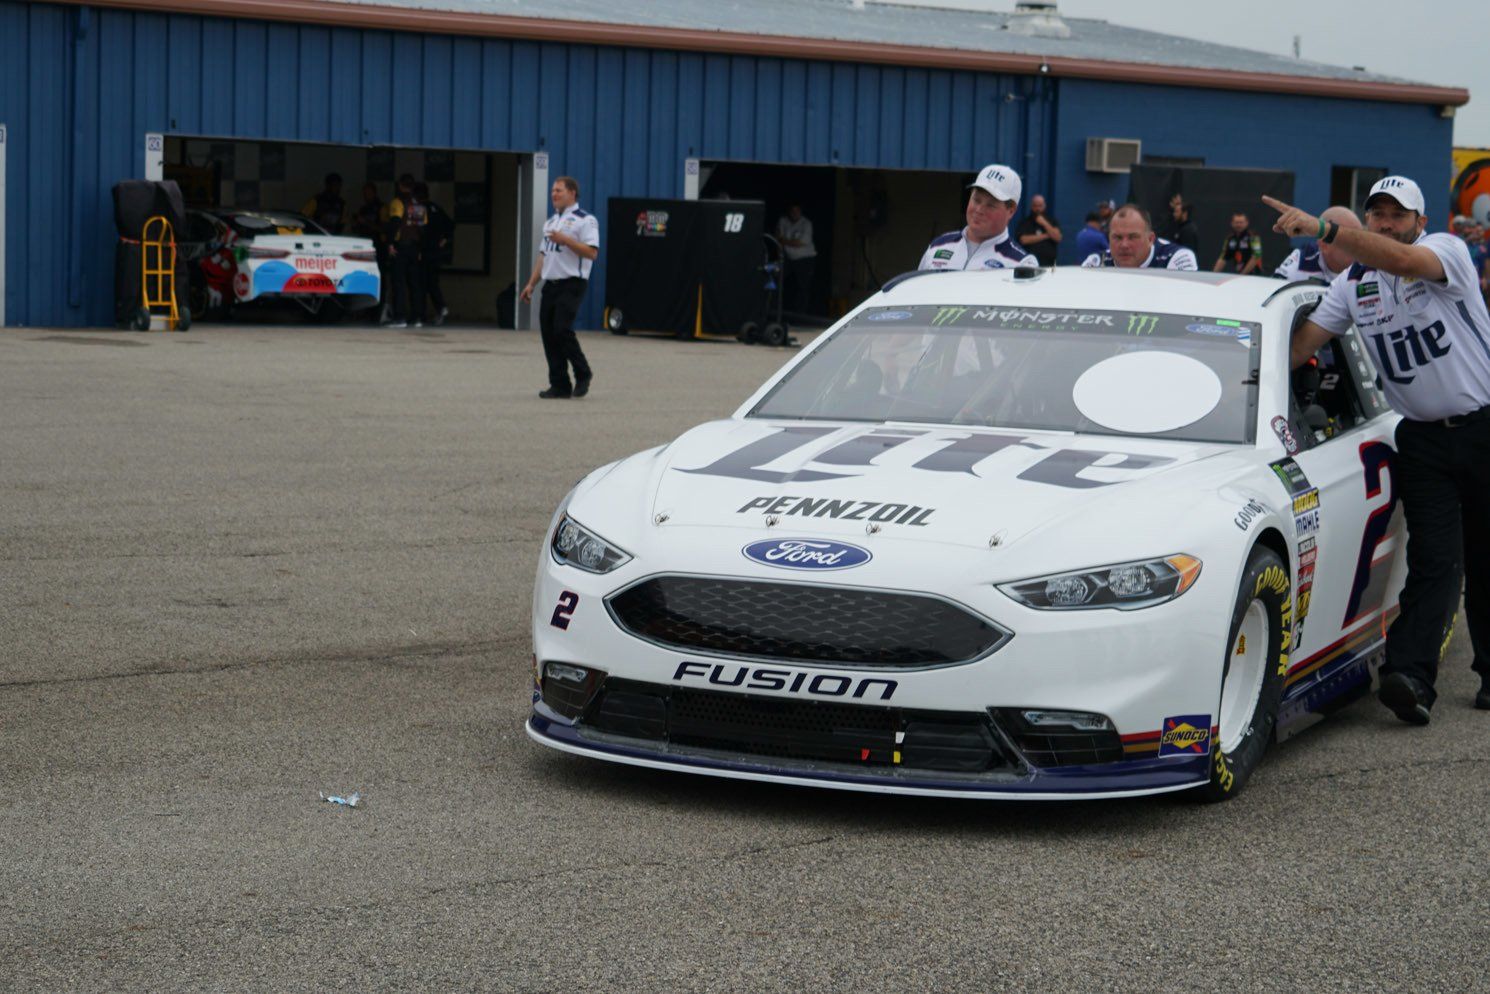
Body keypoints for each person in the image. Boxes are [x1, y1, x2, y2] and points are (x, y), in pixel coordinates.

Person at [1272, 176, 1490, 724]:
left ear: (1420, 220)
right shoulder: (1350, 285)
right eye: (1377, 214)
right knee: (1434, 560)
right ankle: (1409, 676)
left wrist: (1324, 229)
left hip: (1484, 425)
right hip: (1420, 436)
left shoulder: (1446, 251)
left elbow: (1404, 262)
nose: (1387, 223)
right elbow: (1300, 348)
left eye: (1398, 215)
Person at [521, 176, 598, 399]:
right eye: (553, 191)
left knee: (561, 328)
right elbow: (543, 256)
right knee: (548, 333)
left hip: (572, 282)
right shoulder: (551, 222)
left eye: (559, 190)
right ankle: (560, 384)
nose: (554, 194)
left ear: (572, 193)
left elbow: (592, 253)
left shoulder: (586, 220)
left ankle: (583, 373)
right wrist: (531, 284)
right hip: (551, 284)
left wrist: (566, 240)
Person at [918, 164, 1037, 271]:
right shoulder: (939, 245)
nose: (979, 210)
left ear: (1011, 211)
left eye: (990, 205)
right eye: (976, 200)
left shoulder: (1020, 264)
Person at [1079, 204, 1196, 270]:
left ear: (1150, 239)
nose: (1124, 245)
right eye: (1117, 237)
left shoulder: (1176, 258)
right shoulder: (1097, 262)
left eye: (1133, 237)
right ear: (1108, 238)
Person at [1274, 205, 1361, 282]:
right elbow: (1276, 293)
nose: (1360, 245)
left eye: (1360, 238)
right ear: (1324, 245)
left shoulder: (1369, 266)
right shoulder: (1302, 261)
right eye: (1349, 239)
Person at [384, 174, 426, 328]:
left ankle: (400, 318)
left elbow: (395, 223)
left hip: (401, 247)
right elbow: (422, 229)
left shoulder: (398, 202)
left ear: (400, 185)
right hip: (415, 248)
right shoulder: (417, 204)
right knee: (414, 284)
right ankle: (417, 318)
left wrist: (390, 243)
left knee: (399, 282)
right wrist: (421, 248)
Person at [415, 182, 453, 326]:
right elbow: (451, 225)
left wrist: (417, 250)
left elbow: (418, 232)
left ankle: (422, 315)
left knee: (422, 285)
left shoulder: (418, 209)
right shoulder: (436, 208)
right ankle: (440, 308)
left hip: (424, 252)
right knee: (432, 282)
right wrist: (445, 239)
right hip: (436, 252)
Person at [350, 182, 389, 322]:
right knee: (364, 278)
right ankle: (365, 310)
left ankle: (379, 311)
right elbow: (356, 228)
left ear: (374, 192)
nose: (366, 195)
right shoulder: (363, 208)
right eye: (364, 193)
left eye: (368, 192)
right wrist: (356, 223)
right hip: (364, 248)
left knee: (380, 280)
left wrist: (365, 222)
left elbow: (384, 229)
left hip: (378, 247)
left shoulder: (382, 208)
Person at [775, 203, 817, 315]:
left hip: (805, 258)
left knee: (803, 287)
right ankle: (774, 310)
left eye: (797, 211)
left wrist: (784, 241)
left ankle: (801, 314)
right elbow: (777, 238)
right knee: (776, 280)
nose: (794, 214)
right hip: (788, 257)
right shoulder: (783, 221)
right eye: (792, 211)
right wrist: (783, 242)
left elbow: (800, 243)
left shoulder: (806, 224)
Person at [1014, 194, 1061, 267]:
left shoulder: (1051, 221)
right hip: (1030, 264)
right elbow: (1023, 240)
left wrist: (1044, 223)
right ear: (1031, 206)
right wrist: (1047, 235)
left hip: (1049, 263)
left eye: (1040, 206)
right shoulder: (1025, 222)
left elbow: (1058, 238)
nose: (1037, 208)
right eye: (1035, 206)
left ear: (1044, 205)